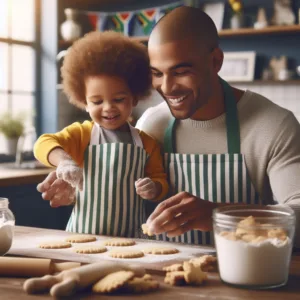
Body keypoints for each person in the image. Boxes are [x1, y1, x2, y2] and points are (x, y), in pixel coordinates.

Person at [136, 6, 300, 247]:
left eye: (181, 71)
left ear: (215, 61)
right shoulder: (151, 124)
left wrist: (222, 216)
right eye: (157, 74)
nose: (167, 87)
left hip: (245, 278)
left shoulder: (273, 124)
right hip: (161, 278)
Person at [34, 31, 168, 237]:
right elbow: (43, 143)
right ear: (84, 103)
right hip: (82, 237)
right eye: (97, 101)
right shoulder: (81, 134)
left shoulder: (146, 143)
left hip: (131, 239)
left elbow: (161, 181)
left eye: (119, 99)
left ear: (134, 98)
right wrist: (64, 161)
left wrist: (154, 188)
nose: (108, 108)